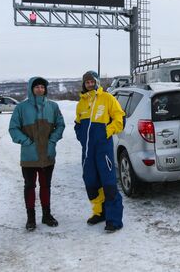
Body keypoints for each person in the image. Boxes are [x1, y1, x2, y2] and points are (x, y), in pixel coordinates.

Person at [9, 77, 65, 231]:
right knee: (29, 186)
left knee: (46, 186)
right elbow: (13, 128)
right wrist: (26, 142)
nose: (40, 89)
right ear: (31, 89)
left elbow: (60, 125)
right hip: (29, 156)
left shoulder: (53, 107)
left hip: (47, 155)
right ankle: (31, 218)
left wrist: (52, 141)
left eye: (42, 87)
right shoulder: (21, 108)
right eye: (37, 87)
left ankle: (46, 215)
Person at [74, 70, 125, 232]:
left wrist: (106, 132)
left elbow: (120, 119)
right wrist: (80, 135)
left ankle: (114, 219)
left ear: (97, 82)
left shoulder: (107, 98)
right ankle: (99, 212)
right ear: (84, 84)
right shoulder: (81, 103)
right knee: (90, 182)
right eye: (87, 82)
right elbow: (78, 123)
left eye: (92, 81)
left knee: (108, 184)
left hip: (103, 150)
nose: (89, 84)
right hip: (87, 151)